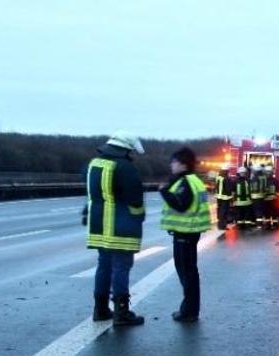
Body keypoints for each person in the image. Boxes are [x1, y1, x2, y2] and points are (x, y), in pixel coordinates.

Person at [84, 130, 145, 326]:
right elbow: (135, 199)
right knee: (121, 267)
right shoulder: (124, 167)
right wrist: (139, 217)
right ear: (126, 149)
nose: (132, 156)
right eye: (132, 152)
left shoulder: (94, 164)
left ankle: (100, 309)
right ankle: (121, 312)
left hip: (99, 226)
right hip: (120, 227)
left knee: (104, 265)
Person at [159, 147, 211, 323]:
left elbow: (181, 205)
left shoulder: (185, 182)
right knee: (190, 272)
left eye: (173, 162)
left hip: (185, 233)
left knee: (186, 272)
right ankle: (190, 309)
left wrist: (165, 192)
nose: (171, 165)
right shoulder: (194, 180)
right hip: (190, 232)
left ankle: (188, 311)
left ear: (182, 164)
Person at [214, 163, 234, 233]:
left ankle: (220, 225)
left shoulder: (218, 177)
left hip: (218, 197)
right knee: (224, 212)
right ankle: (222, 226)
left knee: (220, 211)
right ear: (226, 170)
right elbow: (229, 189)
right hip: (225, 198)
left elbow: (216, 187)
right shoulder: (226, 178)